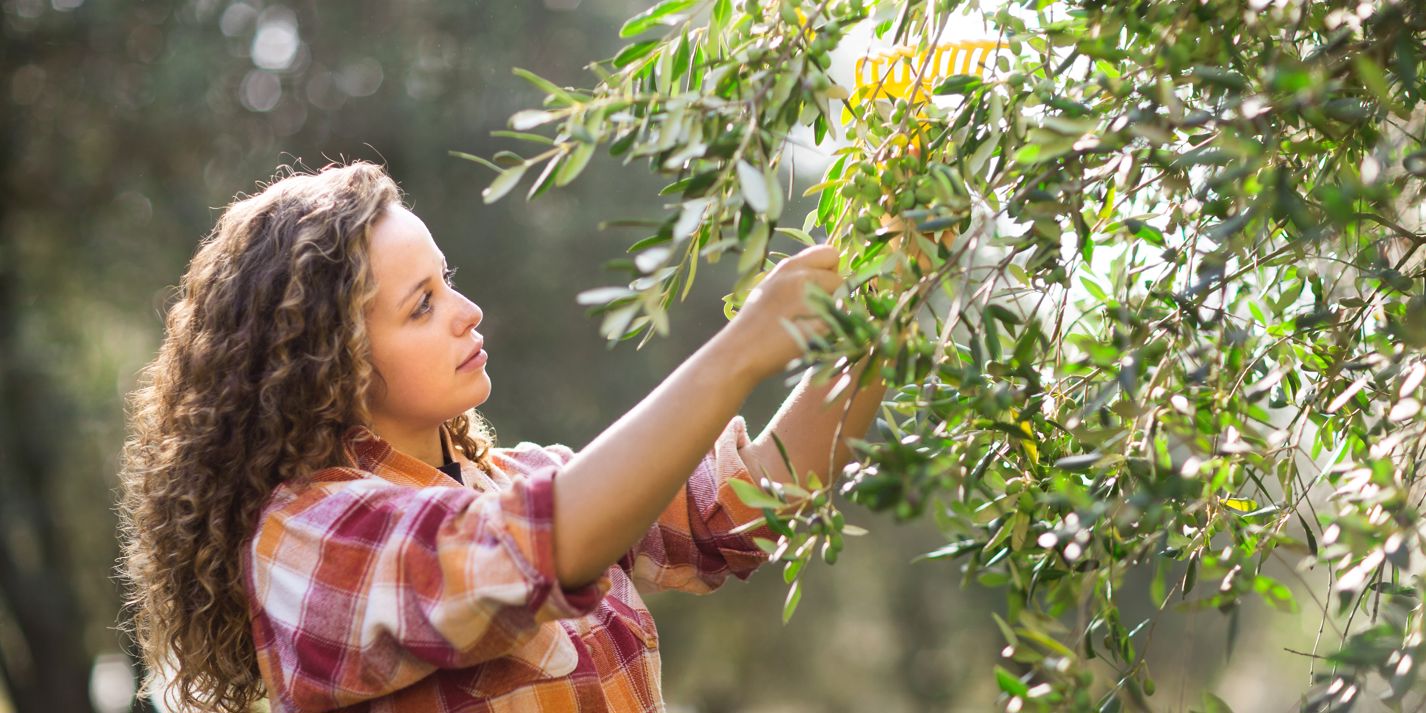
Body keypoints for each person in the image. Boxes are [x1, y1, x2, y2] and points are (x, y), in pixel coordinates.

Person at [117, 161, 886, 712]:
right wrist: (741, 349)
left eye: (446, 279)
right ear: (331, 363)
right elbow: (536, 548)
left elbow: (744, 510)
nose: (467, 310)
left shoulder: (518, 479)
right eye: (422, 305)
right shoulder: (307, 539)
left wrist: (882, 314)